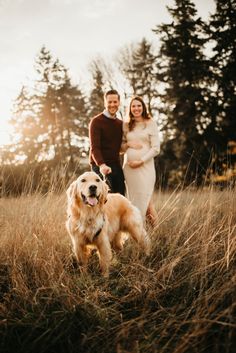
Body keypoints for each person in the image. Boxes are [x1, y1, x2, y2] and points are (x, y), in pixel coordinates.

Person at [122, 96, 160, 224]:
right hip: (129, 169)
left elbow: (156, 148)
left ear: (143, 107)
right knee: (133, 201)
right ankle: (137, 231)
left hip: (145, 168)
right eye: (133, 106)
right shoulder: (126, 125)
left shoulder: (150, 123)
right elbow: (120, 148)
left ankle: (156, 233)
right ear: (130, 109)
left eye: (139, 105)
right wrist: (128, 145)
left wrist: (141, 161)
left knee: (147, 201)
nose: (136, 108)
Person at [89, 89, 125, 195]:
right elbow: (94, 147)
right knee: (105, 199)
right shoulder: (96, 122)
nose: (112, 104)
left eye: (115, 102)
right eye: (109, 102)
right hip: (99, 165)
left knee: (120, 198)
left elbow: (121, 146)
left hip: (115, 165)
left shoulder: (120, 124)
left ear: (119, 103)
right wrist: (102, 165)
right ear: (105, 103)